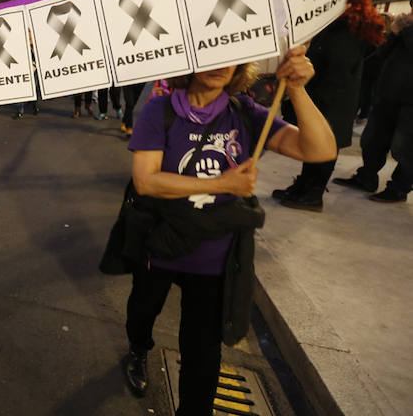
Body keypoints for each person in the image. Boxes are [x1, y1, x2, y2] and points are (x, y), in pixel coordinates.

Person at [121, 47, 336, 415]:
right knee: (144, 308)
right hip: (161, 244)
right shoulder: (161, 110)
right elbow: (146, 181)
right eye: (209, 53)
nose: (220, 64)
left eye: (230, 54)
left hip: (215, 257)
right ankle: (139, 348)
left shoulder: (245, 114)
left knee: (202, 352)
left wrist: (297, 90)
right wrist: (222, 184)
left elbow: (319, 150)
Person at [274, 0, 385, 211]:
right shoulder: (336, 28)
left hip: (332, 99)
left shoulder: (348, 31)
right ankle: (303, 187)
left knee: (326, 145)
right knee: (312, 143)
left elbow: (337, 66)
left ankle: (313, 194)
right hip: (326, 96)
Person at [334, 12, 413, 203]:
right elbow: (380, 53)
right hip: (387, 94)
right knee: (372, 140)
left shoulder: (408, 30)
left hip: (410, 102)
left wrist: (406, 30)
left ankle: (399, 188)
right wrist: (394, 33)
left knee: (406, 148)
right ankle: (367, 176)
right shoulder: (404, 30)